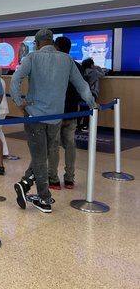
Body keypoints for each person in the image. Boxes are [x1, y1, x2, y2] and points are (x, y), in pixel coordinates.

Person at [10, 28, 98, 213]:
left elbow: (15, 79)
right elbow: (82, 85)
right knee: (45, 154)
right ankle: (26, 185)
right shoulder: (66, 60)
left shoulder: (32, 58)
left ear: (38, 43)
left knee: (40, 156)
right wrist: (92, 104)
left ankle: (43, 198)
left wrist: (19, 101)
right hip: (56, 116)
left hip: (35, 114)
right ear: (51, 41)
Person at [48, 37, 83, 190]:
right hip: (71, 111)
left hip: (55, 112)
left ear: (56, 48)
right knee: (70, 145)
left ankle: (53, 179)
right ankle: (69, 179)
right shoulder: (77, 66)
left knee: (54, 146)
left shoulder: (53, 65)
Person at [77, 57, 106, 131]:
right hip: (92, 93)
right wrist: (98, 68)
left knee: (82, 109)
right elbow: (102, 74)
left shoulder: (82, 72)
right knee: (89, 109)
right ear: (91, 65)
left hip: (82, 93)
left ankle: (77, 125)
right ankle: (85, 126)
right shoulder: (94, 72)